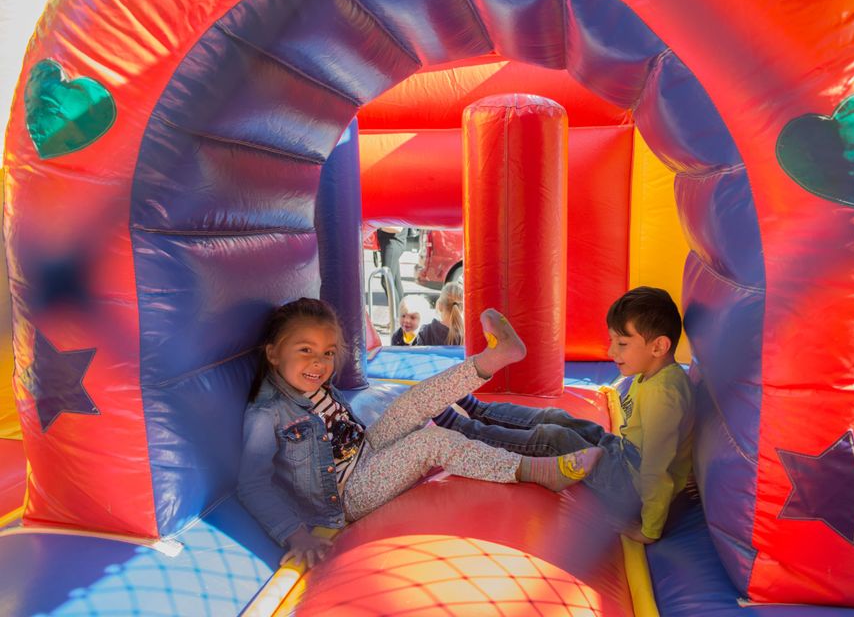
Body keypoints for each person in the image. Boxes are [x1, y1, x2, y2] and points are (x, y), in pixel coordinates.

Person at [238, 298, 602, 568]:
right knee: (431, 441)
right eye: (305, 351)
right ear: (273, 353)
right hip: (349, 492)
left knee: (413, 401)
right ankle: (536, 470)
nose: (319, 363)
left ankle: (493, 358)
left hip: (366, 449)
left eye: (328, 353)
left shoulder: (311, 384)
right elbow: (252, 484)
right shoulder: (267, 414)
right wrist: (295, 534)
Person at [434, 286, 694, 543]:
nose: (611, 352)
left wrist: (649, 530)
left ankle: (464, 429)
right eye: (612, 341)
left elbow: (656, 471)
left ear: (658, 347)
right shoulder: (653, 374)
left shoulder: (665, 397)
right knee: (558, 418)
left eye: (622, 343)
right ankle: (480, 410)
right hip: (623, 455)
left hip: (631, 490)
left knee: (554, 438)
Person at [376, 227, 406, 303]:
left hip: (392, 243)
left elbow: (397, 228)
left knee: (386, 281)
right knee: (395, 282)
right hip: (390, 243)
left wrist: (376, 226)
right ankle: (402, 312)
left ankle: (396, 313)